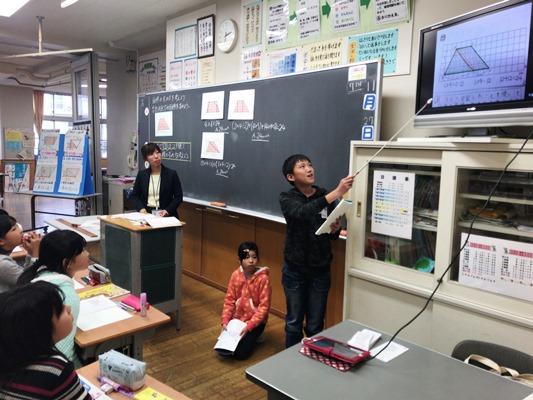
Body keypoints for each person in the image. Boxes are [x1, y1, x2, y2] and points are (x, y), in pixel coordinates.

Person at [279, 154, 354, 348]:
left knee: (315, 324)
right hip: (294, 270)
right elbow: (302, 212)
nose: (309, 169)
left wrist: (334, 229)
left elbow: (329, 234)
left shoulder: (323, 195)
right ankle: (291, 360)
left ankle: (313, 359)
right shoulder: (287, 198)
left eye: (310, 165)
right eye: (302, 166)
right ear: (291, 177)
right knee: (294, 323)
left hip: (320, 269)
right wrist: (337, 192)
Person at [0, 281, 91, 399]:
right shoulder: (56, 369)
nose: (68, 308)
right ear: (40, 328)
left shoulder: (11, 358)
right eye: (60, 310)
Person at [18, 230, 90, 367]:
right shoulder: (66, 294)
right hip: (53, 368)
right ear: (67, 262)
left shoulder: (38, 275)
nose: (87, 254)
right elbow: (63, 349)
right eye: (82, 251)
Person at [217, 241, 272, 360]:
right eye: (247, 257)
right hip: (237, 320)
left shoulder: (263, 279)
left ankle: (257, 335)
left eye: (254, 257)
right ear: (239, 260)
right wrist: (225, 320)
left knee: (241, 354)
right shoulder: (235, 275)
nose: (251, 261)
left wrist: (249, 326)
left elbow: (264, 307)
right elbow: (229, 300)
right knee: (223, 351)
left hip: (254, 322)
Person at [130, 142, 183, 218]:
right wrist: (141, 209)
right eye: (151, 154)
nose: (156, 156)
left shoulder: (171, 174)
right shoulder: (142, 175)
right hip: (147, 214)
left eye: (157, 152)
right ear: (146, 159)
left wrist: (167, 211)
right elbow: (134, 196)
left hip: (166, 215)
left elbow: (178, 197)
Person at [0, 213, 40, 293]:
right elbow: (30, 282)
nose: (20, 231)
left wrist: (30, 252)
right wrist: (36, 253)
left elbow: (24, 274)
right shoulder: (3, 264)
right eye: (14, 229)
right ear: (1, 241)